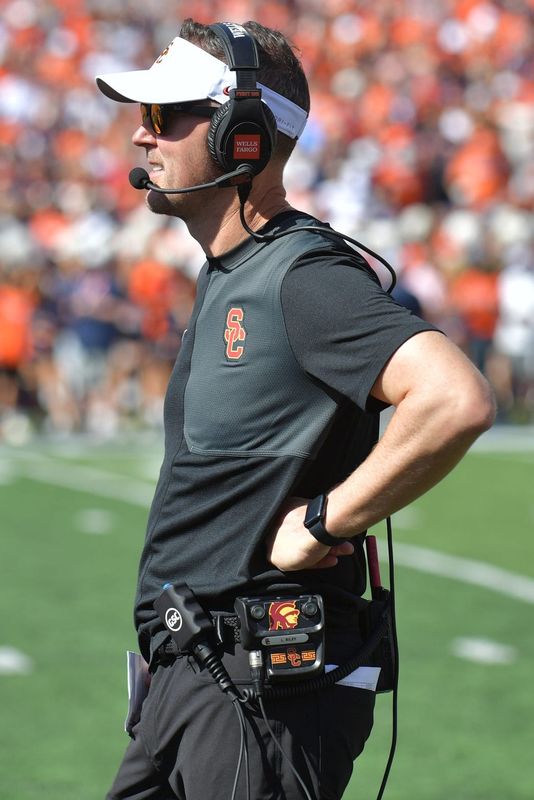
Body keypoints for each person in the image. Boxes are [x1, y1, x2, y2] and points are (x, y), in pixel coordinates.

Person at [95, 19, 495, 800]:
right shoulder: (231, 272)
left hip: (260, 691)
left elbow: (455, 397)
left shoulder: (302, 274)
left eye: (164, 116)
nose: (143, 139)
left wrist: (324, 520)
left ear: (243, 134)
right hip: (198, 678)